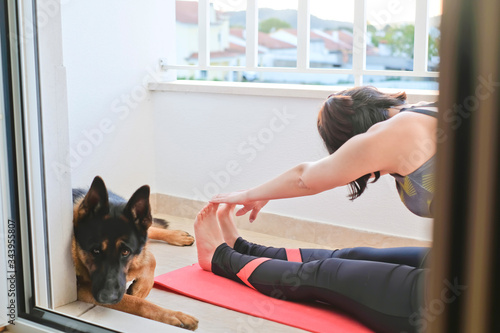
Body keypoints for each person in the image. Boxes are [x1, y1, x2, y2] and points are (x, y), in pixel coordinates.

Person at [194, 86, 437, 333]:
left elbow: (304, 179)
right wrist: (262, 193)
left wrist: (247, 195)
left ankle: (220, 258)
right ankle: (244, 248)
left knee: (326, 273)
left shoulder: (392, 135)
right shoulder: (424, 111)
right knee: (350, 256)